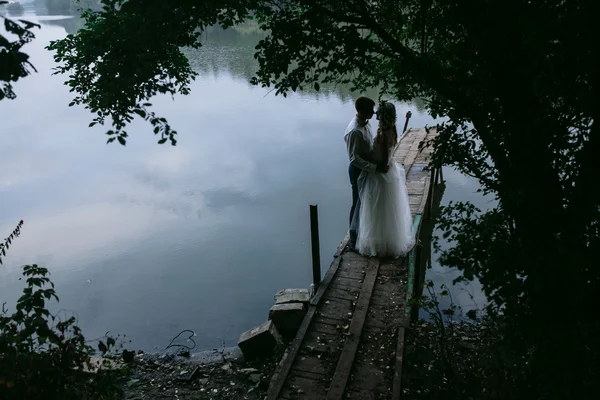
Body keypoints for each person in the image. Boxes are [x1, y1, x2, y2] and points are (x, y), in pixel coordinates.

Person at [355, 101, 415, 258]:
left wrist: (378, 165)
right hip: (390, 171)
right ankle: (388, 241)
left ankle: (379, 244)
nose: (376, 115)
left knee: (378, 209)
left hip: (381, 174)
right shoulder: (392, 129)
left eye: (378, 114)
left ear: (382, 116)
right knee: (388, 209)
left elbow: (384, 159)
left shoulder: (382, 134)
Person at [344, 96, 388, 251]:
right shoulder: (354, 131)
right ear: (361, 111)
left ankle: (364, 233)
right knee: (357, 203)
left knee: (367, 201)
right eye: (370, 110)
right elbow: (354, 158)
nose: (373, 112)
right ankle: (353, 240)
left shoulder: (367, 123)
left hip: (368, 165)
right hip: (357, 169)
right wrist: (375, 167)